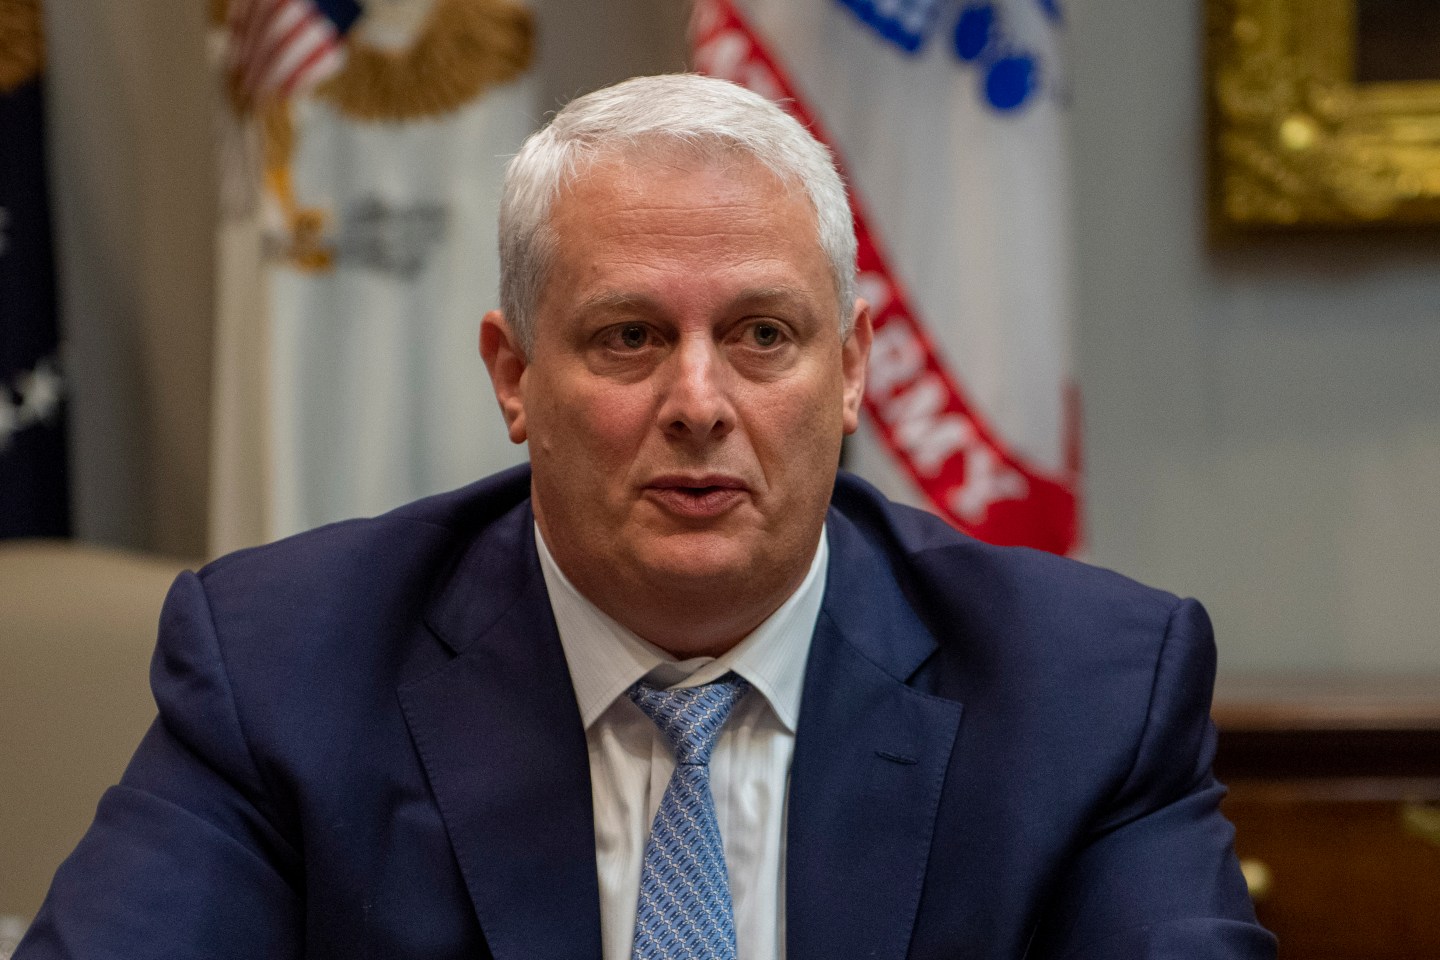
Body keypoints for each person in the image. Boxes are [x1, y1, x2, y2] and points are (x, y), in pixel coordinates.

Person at [17, 74, 1274, 960]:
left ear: (852, 371)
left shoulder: (1084, 693)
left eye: (762, 335)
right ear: (514, 376)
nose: (699, 403)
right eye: (629, 337)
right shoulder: (286, 666)